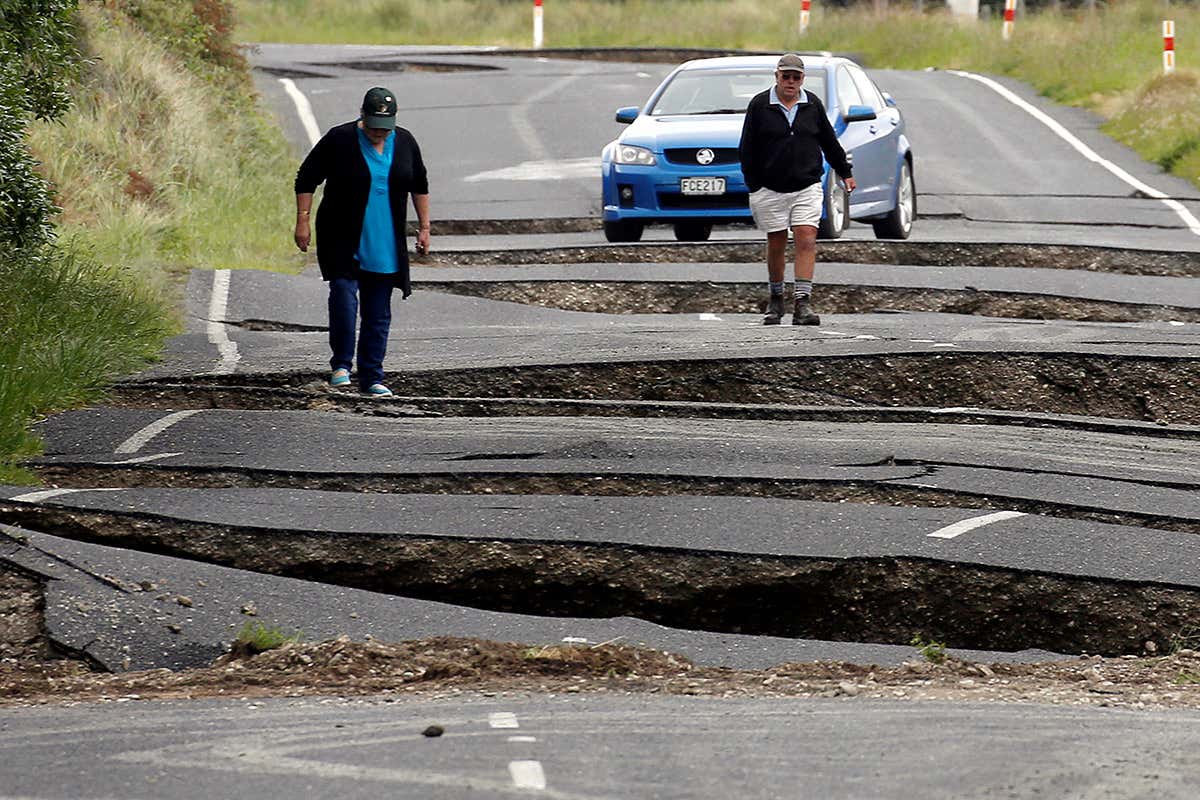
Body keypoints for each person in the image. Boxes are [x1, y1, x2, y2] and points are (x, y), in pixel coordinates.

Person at [294, 86, 430, 397]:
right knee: (343, 295)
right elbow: (306, 178)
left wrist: (424, 227)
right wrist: (302, 221)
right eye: (374, 127)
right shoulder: (339, 139)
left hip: (384, 238)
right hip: (341, 234)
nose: (379, 133)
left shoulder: (406, 141)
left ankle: (372, 376)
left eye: (385, 128)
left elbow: (420, 185)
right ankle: (341, 365)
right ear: (362, 117)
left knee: (378, 310)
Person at [738, 54, 856, 326]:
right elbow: (747, 148)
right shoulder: (759, 105)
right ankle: (776, 299)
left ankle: (802, 303)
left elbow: (829, 141)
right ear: (776, 76)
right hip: (769, 187)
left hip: (807, 185)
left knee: (806, 238)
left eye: (796, 77)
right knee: (777, 242)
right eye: (785, 76)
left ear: (803, 79)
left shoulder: (812, 104)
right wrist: (753, 184)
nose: (791, 82)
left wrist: (845, 172)